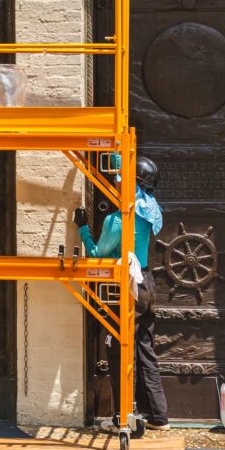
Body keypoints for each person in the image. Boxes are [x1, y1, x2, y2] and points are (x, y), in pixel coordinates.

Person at [74, 156, 169, 430]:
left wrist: (82, 227)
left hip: (127, 287)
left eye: (120, 181)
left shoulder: (116, 221)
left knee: (117, 350)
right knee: (145, 349)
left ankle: (120, 418)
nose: (116, 184)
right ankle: (158, 416)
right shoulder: (150, 211)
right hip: (147, 282)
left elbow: (97, 254)